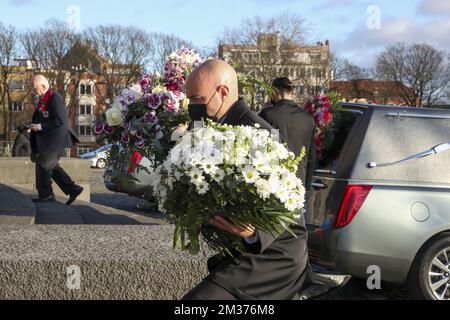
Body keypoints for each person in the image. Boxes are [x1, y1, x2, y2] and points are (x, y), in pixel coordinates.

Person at [182, 59, 331, 300]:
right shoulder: (208, 125)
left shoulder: (258, 131)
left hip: (275, 255)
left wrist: (253, 231)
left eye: (197, 100)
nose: (192, 106)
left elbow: (284, 197)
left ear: (222, 92)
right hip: (245, 252)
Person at [29, 74, 83, 205]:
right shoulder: (44, 99)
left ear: (43, 86)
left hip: (56, 140)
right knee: (51, 166)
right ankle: (73, 189)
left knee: (43, 164)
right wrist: (32, 125)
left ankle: (46, 195)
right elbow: (44, 118)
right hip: (50, 140)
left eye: (35, 88)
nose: (34, 91)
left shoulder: (54, 98)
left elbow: (60, 121)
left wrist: (40, 126)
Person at [259, 77, 316, 189]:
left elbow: (260, 149)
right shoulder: (308, 119)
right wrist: (306, 186)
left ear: (274, 92)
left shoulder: (268, 115)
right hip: (298, 183)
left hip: (274, 183)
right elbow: (311, 157)